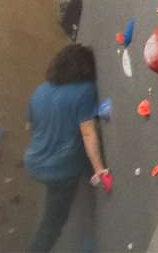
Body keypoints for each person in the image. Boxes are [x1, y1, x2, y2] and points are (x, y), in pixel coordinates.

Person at [24, 44, 106, 253]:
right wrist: (99, 169)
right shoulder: (85, 90)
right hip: (60, 171)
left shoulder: (40, 91)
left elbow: (30, 126)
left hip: (34, 162)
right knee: (51, 225)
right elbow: (88, 133)